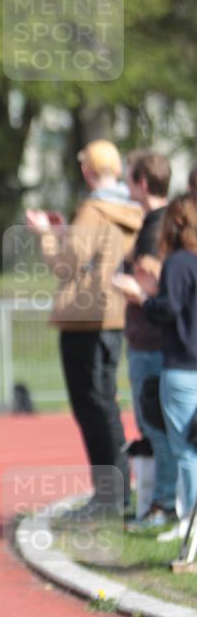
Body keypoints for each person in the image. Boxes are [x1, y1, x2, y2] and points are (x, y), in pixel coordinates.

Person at [26, 140, 143, 518]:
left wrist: (45, 233)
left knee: (92, 408)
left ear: (86, 171)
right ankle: (119, 491)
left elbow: (66, 266)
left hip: (84, 317)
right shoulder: (130, 209)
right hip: (114, 313)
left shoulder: (93, 209)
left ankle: (109, 496)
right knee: (106, 405)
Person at [114, 193, 197, 536]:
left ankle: (189, 524)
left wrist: (142, 297)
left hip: (181, 366)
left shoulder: (179, 262)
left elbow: (168, 309)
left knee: (185, 449)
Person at [121, 151, 177, 528]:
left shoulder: (159, 227)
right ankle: (162, 502)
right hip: (148, 338)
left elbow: (157, 281)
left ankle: (164, 505)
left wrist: (129, 285)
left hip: (153, 340)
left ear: (142, 182)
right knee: (155, 424)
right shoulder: (156, 222)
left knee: (157, 425)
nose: (126, 185)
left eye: (129, 178)